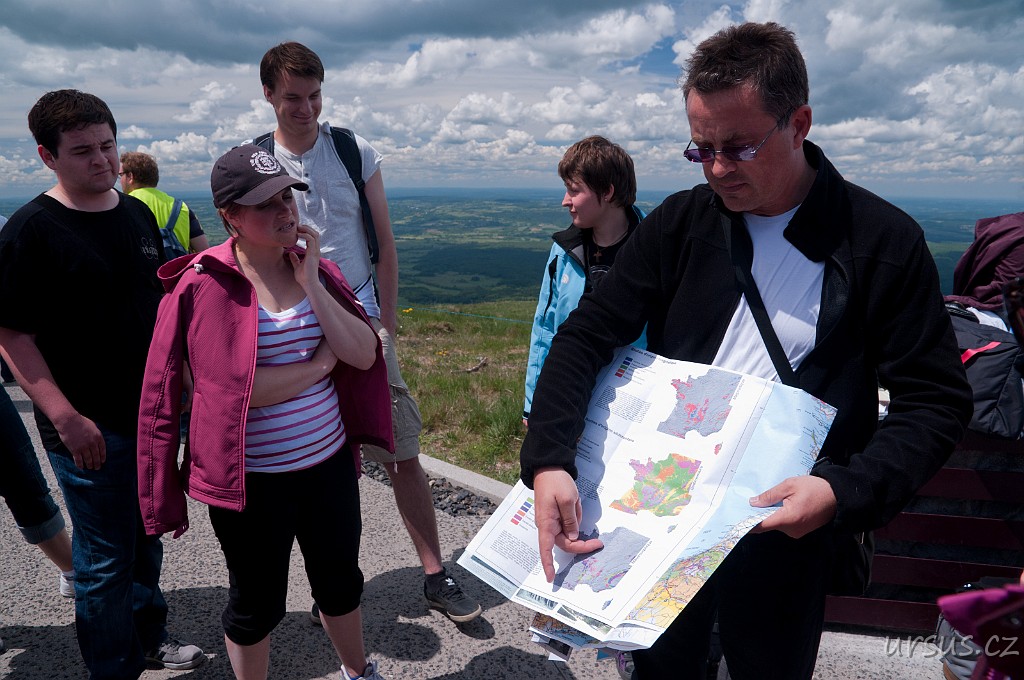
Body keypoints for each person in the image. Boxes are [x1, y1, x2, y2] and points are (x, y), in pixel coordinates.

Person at [519, 22, 973, 680]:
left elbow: (934, 401)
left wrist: (841, 491)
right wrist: (550, 459)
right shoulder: (682, 223)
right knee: (662, 667)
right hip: (665, 512)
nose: (717, 169)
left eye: (738, 147)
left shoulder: (881, 242)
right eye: (700, 149)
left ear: (799, 124)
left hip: (786, 532)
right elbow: (587, 333)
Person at [138, 145, 393, 680]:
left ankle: (358, 672)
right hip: (252, 482)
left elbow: (363, 353)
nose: (285, 212)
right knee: (256, 603)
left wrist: (313, 285)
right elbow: (234, 390)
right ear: (230, 217)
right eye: (265, 204)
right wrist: (319, 366)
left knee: (340, 584)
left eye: (287, 198)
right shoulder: (206, 285)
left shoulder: (313, 270)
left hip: (327, 467)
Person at [252, 41, 481, 623]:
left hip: (360, 316)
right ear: (268, 95)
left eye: (315, 95)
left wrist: (387, 323)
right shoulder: (258, 162)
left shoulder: (354, 151)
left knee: (401, 449)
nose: (306, 108)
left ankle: (435, 574)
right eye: (293, 97)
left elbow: (385, 244)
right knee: (315, 454)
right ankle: (330, 587)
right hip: (296, 323)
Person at [0, 89, 204, 678]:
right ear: (48, 156)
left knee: (145, 535)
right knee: (105, 560)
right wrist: (65, 418)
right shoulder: (31, 231)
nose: (102, 160)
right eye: (83, 150)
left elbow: (154, 305)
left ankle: (148, 637)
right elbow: (11, 335)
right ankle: (114, 668)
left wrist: (182, 375)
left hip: (150, 412)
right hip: (87, 425)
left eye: (108, 145)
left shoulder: (135, 213)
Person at [524, 135, 646, 424]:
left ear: (607, 192)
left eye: (574, 190)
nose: (565, 201)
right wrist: (534, 402)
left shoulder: (653, 248)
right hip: (571, 391)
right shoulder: (564, 251)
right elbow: (545, 329)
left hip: (637, 398)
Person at [119, 151, 210, 255]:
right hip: (176, 265)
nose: (120, 180)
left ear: (130, 176)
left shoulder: (121, 205)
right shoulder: (181, 207)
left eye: (121, 175)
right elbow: (204, 250)